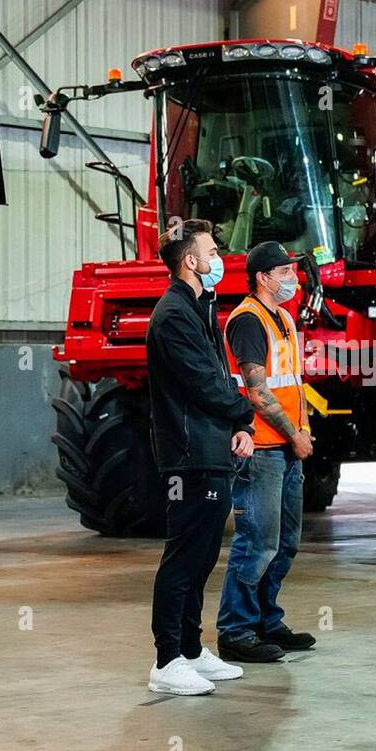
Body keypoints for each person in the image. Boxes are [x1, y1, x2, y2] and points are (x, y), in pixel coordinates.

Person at [145, 219, 256, 696]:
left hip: (210, 448)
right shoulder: (173, 315)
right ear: (190, 261)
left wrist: (238, 426)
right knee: (184, 557)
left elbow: (218, 379)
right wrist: (248, 412)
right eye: (211, 252)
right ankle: (166, 660)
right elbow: (206, 384)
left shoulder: (199, 308)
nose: (218, 260)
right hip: (189, 455)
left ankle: (190, 649)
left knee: (204, 554)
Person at [216, 241, 318, 663]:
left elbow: (293, 382)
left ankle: (265, 619)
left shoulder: (284, 319)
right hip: (260, 449)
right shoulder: (247, 320)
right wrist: (293, 435)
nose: (292, 278)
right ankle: (236, 630)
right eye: (284, 272)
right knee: (257, 541)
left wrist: (304, 427)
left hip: (288, 446)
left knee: (285, 541)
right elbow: (257, 393)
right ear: (263, 277)